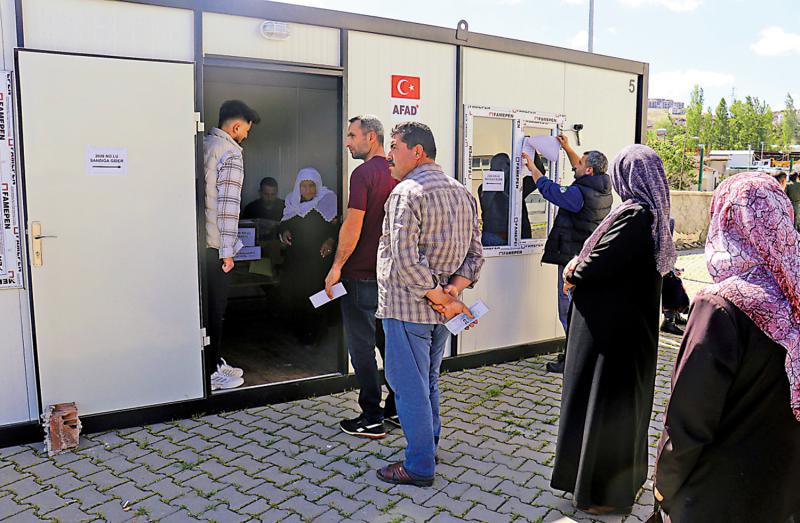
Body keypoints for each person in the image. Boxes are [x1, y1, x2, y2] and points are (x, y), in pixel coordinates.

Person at [654, 172, 800, 523]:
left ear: (726, 219)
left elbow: (690, 419)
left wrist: (664, 483)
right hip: (783, 494)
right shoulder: (794, 294)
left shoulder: (721, 307)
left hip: (717, 497)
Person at [550, 144, 676, 515]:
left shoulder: (635, 214)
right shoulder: (654, 214)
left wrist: (572, 271)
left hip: (609, 336)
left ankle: (603, 494)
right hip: (627, 331)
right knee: (621, 409)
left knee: (603, 408)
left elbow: (599, 264)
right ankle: (613, 485)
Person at [374, 122, 483, 487]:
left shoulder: (408, 192)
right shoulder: (463, 192)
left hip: (409, 309)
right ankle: (428, 445)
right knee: (429, 381)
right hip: (441, 313)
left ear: (416, 151)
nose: (389, 155)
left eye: (394, 147)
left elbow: (405, 259)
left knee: (408, 386)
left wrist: (439, 296)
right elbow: (474, 255)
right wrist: (452, 293)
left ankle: (419, 465)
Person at [323, 115, 399, 439]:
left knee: (362, 348)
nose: (348, 142)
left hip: (361, 278)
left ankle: (371, 416)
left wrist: (337, 266)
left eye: (352, 136)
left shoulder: (364, 173)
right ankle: (396, 407)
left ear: (371, 137)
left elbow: (354, 225)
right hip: (391, 278)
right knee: (389, 345)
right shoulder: (399, 173)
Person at [521, 134, 612, 373]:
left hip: (571, 257)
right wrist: (567, 148)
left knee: (568, 309)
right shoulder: (602, 187)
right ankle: (584, 357)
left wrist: (533, 169)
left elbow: (551, 191)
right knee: (581, 308)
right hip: (587, 258)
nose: (575, 166)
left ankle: (573, 361)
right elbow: (578, 166)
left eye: (580, 164)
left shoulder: (579, 194)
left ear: (589, 170)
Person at [203, 100, 260, 391]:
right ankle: (211, 372)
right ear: (236, 127)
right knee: (216, 311)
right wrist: (228, 253)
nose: (246, 137)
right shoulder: (231, 153)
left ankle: (210, 362)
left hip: (197, 244)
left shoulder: (203, 144)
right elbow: (227, 208)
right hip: (215, 246)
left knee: (202, 310)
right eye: (246, 131)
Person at [278, 168, 338, 345]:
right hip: (297, 259)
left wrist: (330, 241)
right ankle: (302, 333)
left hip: (318, 259)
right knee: (297, 294)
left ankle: (317, 334)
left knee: (318, 295)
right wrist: (285, 231)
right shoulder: (292, 201)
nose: (308, 190)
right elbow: (283, 223)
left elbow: (337, 226)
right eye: (304, 186)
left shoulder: (327, 200)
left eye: (312, 185)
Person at [477, 152, 540, 245]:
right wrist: (530, 151)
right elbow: (539, 173)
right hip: (508, 238)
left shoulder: (483, 188)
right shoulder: (516, 186)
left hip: (492, 236)